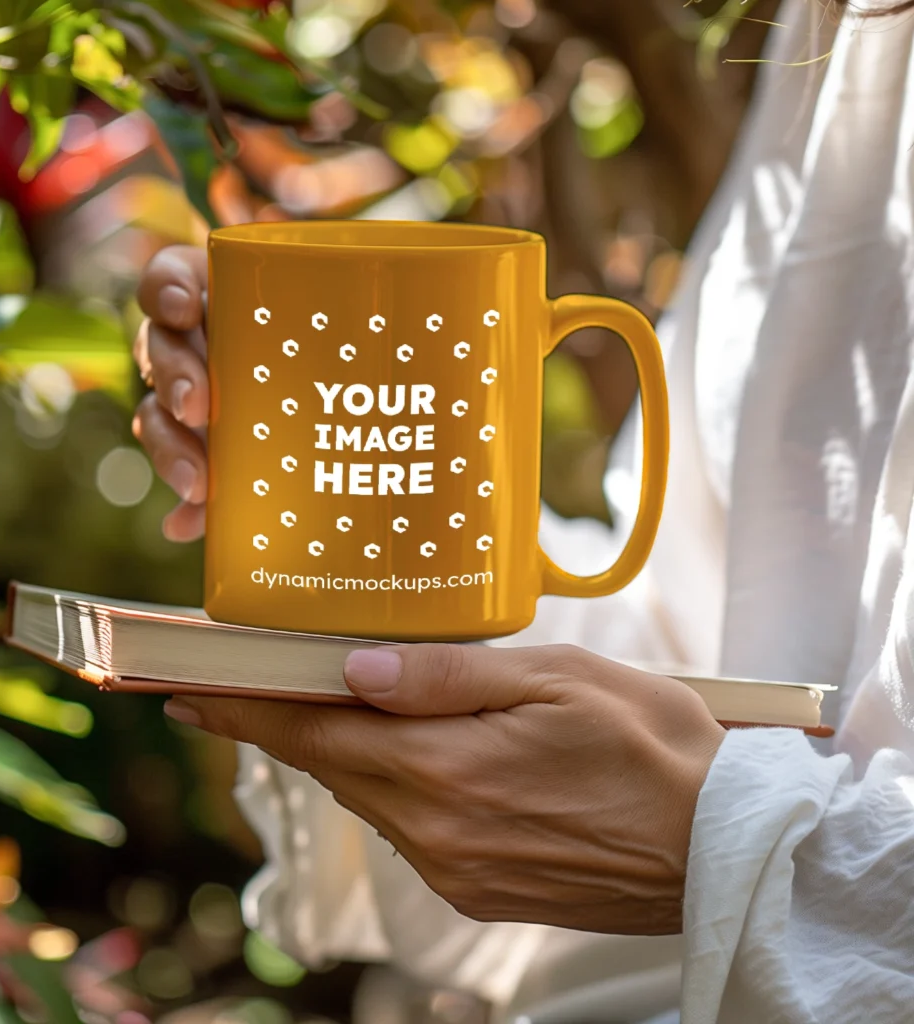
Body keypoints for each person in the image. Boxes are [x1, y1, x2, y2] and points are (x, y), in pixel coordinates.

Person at [131, 2, 914, 1021]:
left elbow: (753, 783)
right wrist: (341, 506)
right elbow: (718, 645)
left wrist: (730, 846)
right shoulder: (844, 39)